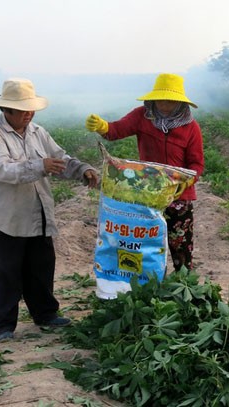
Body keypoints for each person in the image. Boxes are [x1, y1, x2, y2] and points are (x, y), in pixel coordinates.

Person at [0, 78, 99, 342]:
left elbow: (59, 157)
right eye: (22, 110)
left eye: (30, 109)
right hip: (3, 216)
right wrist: (40, 166)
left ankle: (45, 314)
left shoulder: (37, 132)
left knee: (40, 267)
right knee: (3, 271)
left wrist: (83, 169)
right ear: (5, 110)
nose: (28, 114)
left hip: (36, 211)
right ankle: (4, 326)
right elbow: (3, 170)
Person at [85, 73, 204, 273]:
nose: (165, 104)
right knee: (146, 243)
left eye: (170, 100)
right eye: (161, 99)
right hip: (147, 194)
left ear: (179, 102)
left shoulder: (191, 128)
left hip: (178, 197)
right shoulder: (141, 116)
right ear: (153, 98)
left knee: (180, 245)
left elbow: (197, 164)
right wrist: (103, 126)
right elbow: (116, 130)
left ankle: (184, 285)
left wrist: (187, 182)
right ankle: (148, 285)